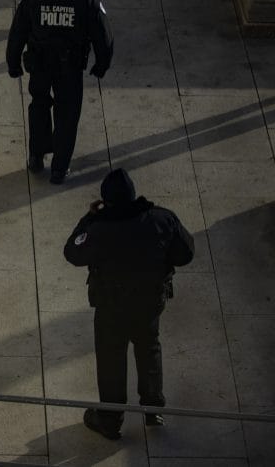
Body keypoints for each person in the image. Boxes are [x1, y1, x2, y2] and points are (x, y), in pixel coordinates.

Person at [64, 168, 195, 439]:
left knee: (111, 357)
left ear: (106, 200)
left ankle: (110, 419)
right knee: (149, 347)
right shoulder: (162, 219)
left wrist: (88, 218)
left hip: (111, 306)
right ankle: (153, 408)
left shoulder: (99, 229)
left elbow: (73, 251)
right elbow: (185, 253)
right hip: (149, 302)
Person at [5, 0, 113, 184]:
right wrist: (101, 64)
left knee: (39, 106)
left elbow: (18, 31)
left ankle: (36, 155)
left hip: (40, 64)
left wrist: (13, 63)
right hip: (70, 67)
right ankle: (59, 168)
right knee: (67, 114)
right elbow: (103, 35)